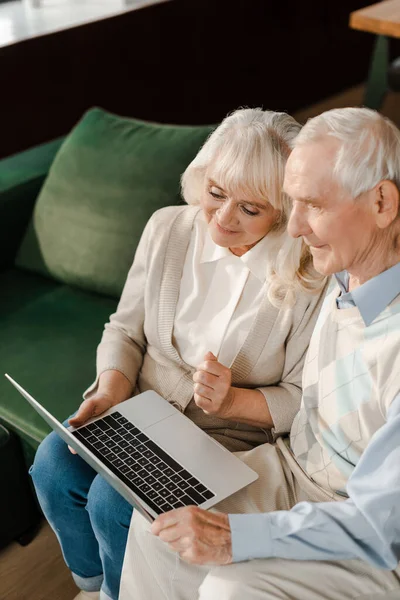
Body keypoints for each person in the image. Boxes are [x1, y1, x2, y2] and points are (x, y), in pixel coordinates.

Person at [30, 108, 327, 600]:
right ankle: (94, 583)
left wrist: (232, 402)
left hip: (225, 438)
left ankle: (122, 592)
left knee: (112, 501)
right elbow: (124, 330)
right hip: (138, 408)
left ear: (283, 209)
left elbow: (302, 399)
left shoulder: (307, 273)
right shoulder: (167, 228)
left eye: (250, 209)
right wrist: (110, 390)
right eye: (215, 194)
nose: (224, 218)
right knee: (53, 466)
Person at [118, 106, 400, 600]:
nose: (292, 229)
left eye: (312, 205)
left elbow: (383, 525)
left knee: (231, 588)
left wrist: (236, 538)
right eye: (290, 205)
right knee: (159, 522)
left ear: (381, 202)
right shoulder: (343, 270)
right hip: (294, 471)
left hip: (369, 533)